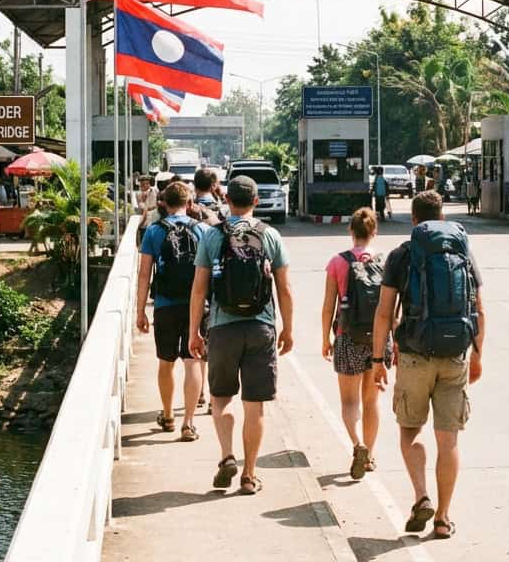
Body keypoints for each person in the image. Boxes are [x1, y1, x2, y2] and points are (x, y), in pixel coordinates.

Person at [372, 191, 485, 540]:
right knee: (448, 440)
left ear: (414, 220)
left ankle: (421, 496)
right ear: (442, 216)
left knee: (409, 430)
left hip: (414, 354)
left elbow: (384, 312)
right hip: (455, 355)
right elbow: (479, 308)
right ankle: (443, 517)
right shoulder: (462, 251)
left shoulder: (402, 255)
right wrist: (478, 354)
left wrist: (378, 359)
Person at [189, 176, 295, 495]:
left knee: (221, 399)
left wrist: (194, 330)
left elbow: (199, 288)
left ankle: (226, 457)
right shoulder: (270, 235)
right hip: (261, 327)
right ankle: (249, 475)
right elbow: (284, 288)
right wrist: (288, 327)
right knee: (255, 405)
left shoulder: (212, 235)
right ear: (257, 202)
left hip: (222, 327)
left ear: (227, 200)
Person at [135, 182, 208, 442]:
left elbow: (145, 274)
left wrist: (140, 311)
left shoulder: (154, 231)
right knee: (192, 361)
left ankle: (167, 415)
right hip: (196, 307)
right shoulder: (202, 230)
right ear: (188, 203)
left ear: (164, 204)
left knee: (166, 362)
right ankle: (188, 423)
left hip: (165, 306)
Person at [321, 207, 389, 480]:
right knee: (371, 400)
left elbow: (329, 306)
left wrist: (325, 337)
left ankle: (357, 444)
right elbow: (392, 307)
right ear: (374, 232)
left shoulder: (338, 262)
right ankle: (370, 454)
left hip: (347, 336)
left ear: (351, 231)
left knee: (349, 401)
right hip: (378, 340)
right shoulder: (386, 262)